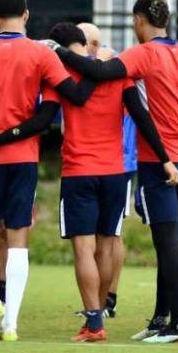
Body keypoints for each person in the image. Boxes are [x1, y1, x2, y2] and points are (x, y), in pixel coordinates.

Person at [52, 0, 178, 344]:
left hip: (159, 162)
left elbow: (100, 71)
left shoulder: (144, 53)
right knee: (170, 241)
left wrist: (54, 50)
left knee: (168, 242)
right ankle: (161, 318)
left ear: (138, 21)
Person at [0, 0, 94, 342]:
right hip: (23, 159)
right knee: (18, 238)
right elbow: (64, 104)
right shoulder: (41, 55)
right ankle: (11, 325)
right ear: (27, 15)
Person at [47, 23, 172, 343]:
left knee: (83, 250)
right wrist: (164, 157)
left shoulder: (58, 75)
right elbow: (142, 117)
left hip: (79, 171)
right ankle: (99, 313)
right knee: (106, 245)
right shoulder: (120, 75)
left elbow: (46, 115)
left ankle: (93, 322)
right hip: (116, 171)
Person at [78, 21, 130, 318]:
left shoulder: (108, 68)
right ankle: (100, 305)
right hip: (116, 164)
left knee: (106, 239)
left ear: (92, 46)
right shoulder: (115, 68)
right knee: (108, 237)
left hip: (112, 162)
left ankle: (104, 302)